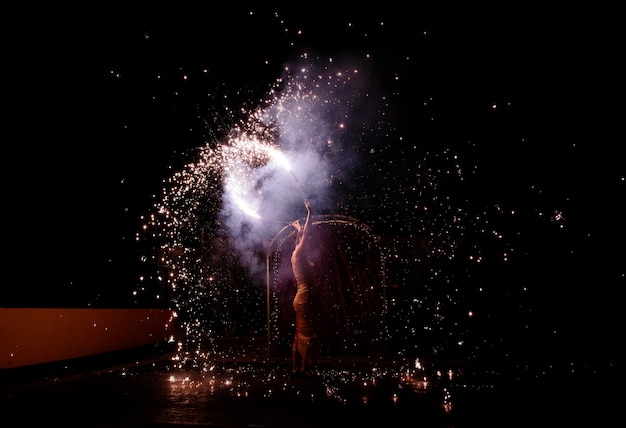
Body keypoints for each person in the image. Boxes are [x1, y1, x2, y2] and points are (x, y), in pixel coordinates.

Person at [290, 199, 319, 378]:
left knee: (299, 334)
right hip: (304, 299)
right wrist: (310, 212)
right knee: (308, 335)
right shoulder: (298, 253)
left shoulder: (297, 254)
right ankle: (304, 368)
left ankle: (297, 367)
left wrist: (298, 229)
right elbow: (306, 234)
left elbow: (302, 236)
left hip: (302, 299)